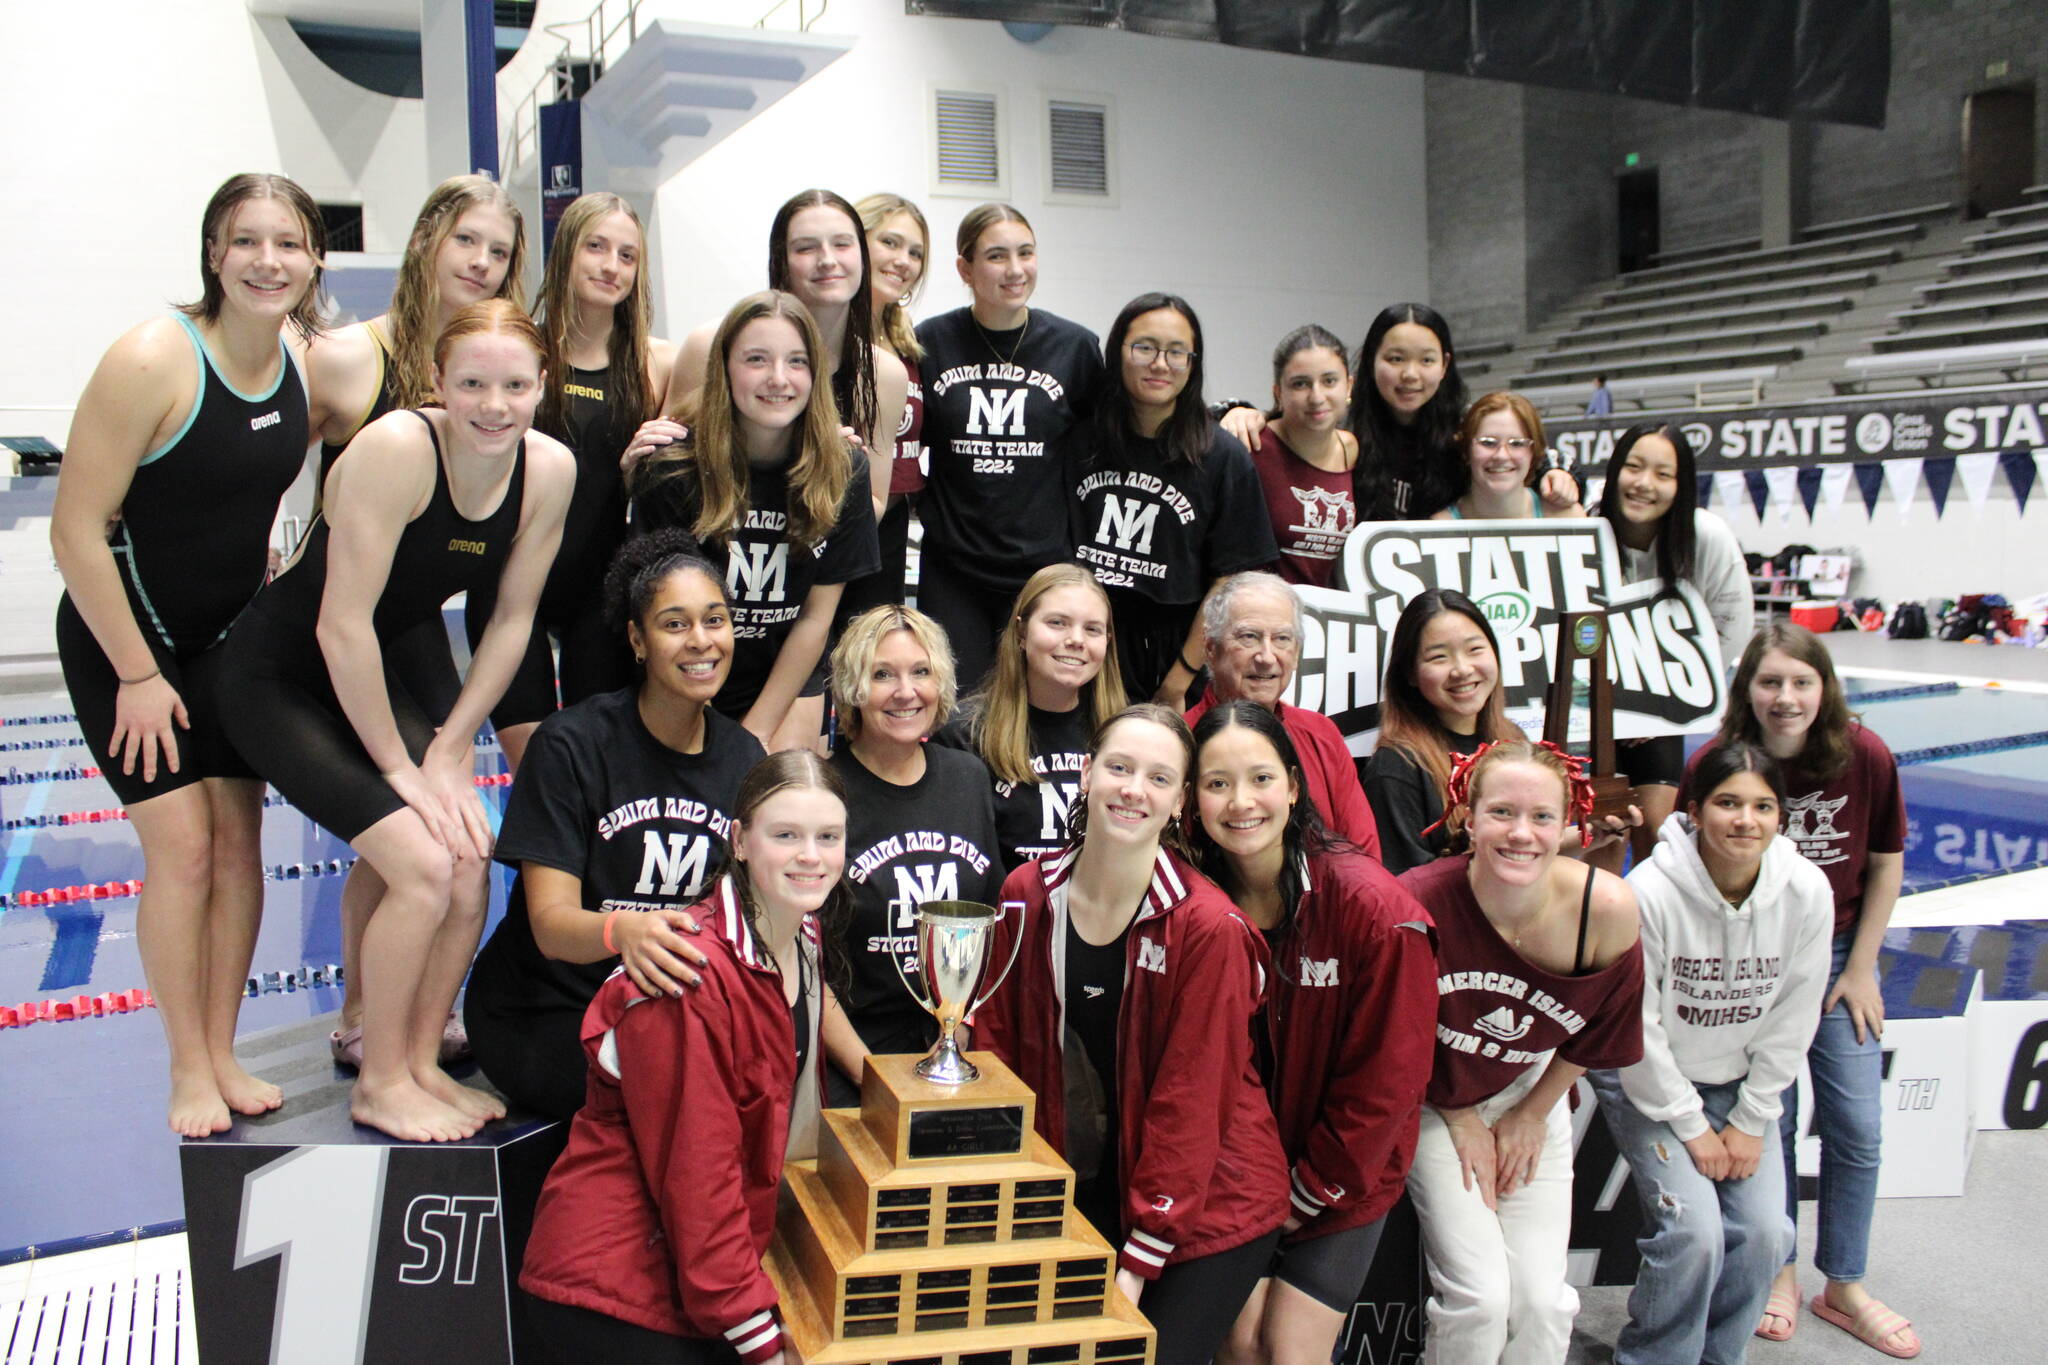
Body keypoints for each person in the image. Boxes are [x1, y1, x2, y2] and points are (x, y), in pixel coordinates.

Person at [221, 299, 576, 1142]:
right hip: (283, 679)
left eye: (515, 385)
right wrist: (401, 771)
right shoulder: (395, 450)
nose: (494, 404)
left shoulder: (549, 469)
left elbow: (512, 621)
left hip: (370, 677)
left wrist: (451, 750)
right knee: (421, 864)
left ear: (542, 386)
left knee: (469, 856)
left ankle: (418, 1062)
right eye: (473, 384)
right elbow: (339, 625)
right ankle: (378, 1078)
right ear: (436, 384)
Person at [51, 173, 324, 1137]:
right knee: (185, 850)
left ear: (313, 258)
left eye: (287, 243)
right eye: (245, 241)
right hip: (123, 641)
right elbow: (76, 531)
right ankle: (184, 1068)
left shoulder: (293, 351)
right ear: (213, 252)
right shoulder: (153, 358)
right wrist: (135, 674)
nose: (267, 261)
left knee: (243, 847)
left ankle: (223, 1049)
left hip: (226, 643)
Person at [975, 705, 1290, 1365]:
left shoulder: (1209, 929)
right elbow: (995, 1053)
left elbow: (1192, 1102)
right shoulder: (1025, 895)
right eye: (1119, 767)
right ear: (1087, 775)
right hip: (1090, 1186)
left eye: (1158, 777)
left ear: (1180, 801)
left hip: (1208, 1201)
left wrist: (1141, 1257)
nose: (1132, 788)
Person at [304, 173, 527, 1068]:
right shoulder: (355, 357)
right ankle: (362, 1009)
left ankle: (419, 1009)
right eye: (466, 239)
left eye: (500, 251)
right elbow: (283, 466)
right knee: (391, 825)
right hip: (345, 626)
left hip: (418, 630)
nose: (480, 262)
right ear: (429, 238)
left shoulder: (495, 361)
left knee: (444, 827)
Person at [519, 750, 842, 1365]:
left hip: (696, 1279)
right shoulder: (687, 972)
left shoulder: (801, 937)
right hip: (615, 1292)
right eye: (786, 835)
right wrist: (760, 1341)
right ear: (740, 841)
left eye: (828, 836)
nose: (811, 856)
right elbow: (699, 1174)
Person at [464, 530, 765, 1120]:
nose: (701, 641)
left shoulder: (744, 759)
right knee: (670, 1101)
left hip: (666, 1006)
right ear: (636, 639)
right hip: (546, 1010)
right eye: (674, 624)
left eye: (715, 620)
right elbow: (550, 927)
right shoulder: (572, 746)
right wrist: (624, 931)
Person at [1677, 624, 1917, 1359]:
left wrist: (1862, 965)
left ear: (1825, 688)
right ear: (1748, 688)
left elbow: (1885, 863)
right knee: (1768, 1120)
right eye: (1771, 682)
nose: (1786, 698)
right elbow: (1687, 871)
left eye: (1802, 682)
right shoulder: (1714, 764)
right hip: (1752, 955)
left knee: (1857, 1124)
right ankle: (1776, 1268)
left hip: (1838, 949)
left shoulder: (1865, 755)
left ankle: (1842, 1281)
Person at [1189, 703, 1437, 1365]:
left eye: (1261, 779)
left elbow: (1386, 1086)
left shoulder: (1377, 912)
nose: (1241, 802)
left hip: (1341, 1174)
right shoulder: (1189, 896)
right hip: (1237, 1173)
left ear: (1295, 785)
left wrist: (1306, 1193)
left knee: (1288, 1352)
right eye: (1216, 783)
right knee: (1238, 1345)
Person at [1398, 740, 1644, 1364]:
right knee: (1479, 1301)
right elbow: (1385, 1044)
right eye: (1502, 813)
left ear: (1569, 824)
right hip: (1430, 1097)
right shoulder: (1414, 903)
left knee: (1542, 1302)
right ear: (1467, 817)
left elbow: (1605, 1027)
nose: (1522, 834)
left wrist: (1532, 1113)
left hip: (1528, 1090)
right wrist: (1457, 1118)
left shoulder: (1603, 909)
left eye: (1542, 817)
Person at [1592, 742, 1832, 1365]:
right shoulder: (1650, 891)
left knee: (1764, 1236)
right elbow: (1636, 1028)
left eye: (1762, 806)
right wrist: (1694, 1128)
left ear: (1781, 816)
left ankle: (1717, 1357)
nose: (1745, 821)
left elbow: (1793, 1017)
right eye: (1728, 803)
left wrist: (1751, 1121)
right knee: (1694, 1235)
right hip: (1651, 1081)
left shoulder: (1806, 891)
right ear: (1694, 811)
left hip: (1738, 1086)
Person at [463, 192, 676, 770]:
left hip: (599, 591)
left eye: (627, 256)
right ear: (565, 255)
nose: (611, 266)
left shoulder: (655, 364)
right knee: (536, 767)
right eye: (596, 247)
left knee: (596, 763)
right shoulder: (520, 350)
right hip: (508, 582)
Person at [629, 291, 879, 751]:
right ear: (724, 367)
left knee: (782, 800)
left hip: (783, 672)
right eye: (757, 359)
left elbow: (814, 619)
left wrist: (756, 732)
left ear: (815, 373)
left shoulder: (844, 468)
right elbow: (667, 618)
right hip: (686, 670)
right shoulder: (673, 467)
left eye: (797, 361)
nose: (778, 379)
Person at [914, 203, 1103, 687]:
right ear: (965, 268)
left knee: (1038, 700)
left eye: (1026, 253)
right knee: (958, 706)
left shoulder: (1075, 347)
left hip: (1043, 569)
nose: (1015, 270)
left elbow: (1107, 446)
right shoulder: (929, 342)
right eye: (997, 256)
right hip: (955, 567)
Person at [819, 604, 1002, 1103]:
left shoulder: (968, 778)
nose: (906, 691)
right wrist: (869, 1077)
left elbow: (990, 917)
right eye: (883, 675)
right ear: (854, 687)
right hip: (848, 1056)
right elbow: (802, 962)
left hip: (952, 1049)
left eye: (921, 672)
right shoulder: (824, 794)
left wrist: (959, 1029)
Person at [1073, 293, 1278, 705]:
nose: (1160, 363)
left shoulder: (1223, 457)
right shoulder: (1079, 441)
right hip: (1082, 645)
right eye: (1145, 347)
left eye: (1177, 351)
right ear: (1118, 353)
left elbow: (1228, 583)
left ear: (1193, 362)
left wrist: (1180, 678)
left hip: (1174, 657)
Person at [1594, 422, 1754, 864]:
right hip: (1591, 709)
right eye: (1634, 467)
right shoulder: (1584, 531)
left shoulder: (1706, 537)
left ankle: (1653, 931)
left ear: (1681, 486)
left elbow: (1732, 624)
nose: (1645, 484)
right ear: (1614, 472)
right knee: (1600, 842)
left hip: (1660, 709)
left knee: (1657, 839)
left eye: (1663, 474)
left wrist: (1665, 702)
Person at [932, 563, 1130, 872]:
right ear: (1022, 632)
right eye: (1057, 623)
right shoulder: (962, 734)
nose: (1076, 639)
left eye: (1092, 629)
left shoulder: (1128, 733)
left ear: (1106, 640)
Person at [1182, 572, 1381, 857]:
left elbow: (1364, 855)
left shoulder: (1320, 733)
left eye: (1282, 639)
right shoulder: (1179, 742)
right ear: (1211, 648)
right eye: (1249, 637)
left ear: (1297, 653)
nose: (1266, 656)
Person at [1363, 590, 1525, 874]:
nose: (1462, 669)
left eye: (1475, 649)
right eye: (1439, 657)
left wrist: (1595, 834)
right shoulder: (1396, 767)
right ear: (1410, 674)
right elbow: (1404, 889)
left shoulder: (1515, 740)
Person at [839, 192, 930, 618]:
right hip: (837, 523)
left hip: (891, 525)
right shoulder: (828, 331)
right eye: (890, 243)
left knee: (869, 658)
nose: (904, 261)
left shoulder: (906, 342)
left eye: (915, 253)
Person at [1246, 324, 1358, 588]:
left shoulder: (1352, 450)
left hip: (1332, 620)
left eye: (1329, 381)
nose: (1316, 396)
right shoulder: (1252, 447)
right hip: (1267, 621)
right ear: (1278, 393)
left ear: (1349, 386)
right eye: (1300, 384)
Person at [1436, 392, 1584, 522]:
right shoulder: (1439, 528)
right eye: (1488, 443)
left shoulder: (1569, 518)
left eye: (1517, 444)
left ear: (1534, 452)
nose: (1501, 455)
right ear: (1466, 451)